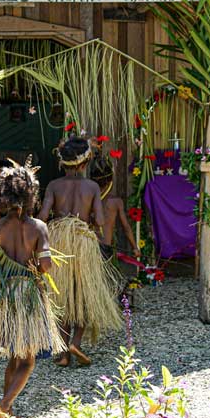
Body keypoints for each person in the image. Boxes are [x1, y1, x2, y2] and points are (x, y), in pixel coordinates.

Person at [0, 160, 64, 418]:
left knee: (14, 356)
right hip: (28, 296)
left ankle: (6, 414)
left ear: (0, 196)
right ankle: (4, 404)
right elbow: (46, 266)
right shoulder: (38, 227)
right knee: (28, 360)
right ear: (30, 194)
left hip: (2, 295)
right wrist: (33, 263)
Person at [39, 137, 123, 366]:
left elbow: (43, 218)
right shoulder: (92, 187)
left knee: (63, 295)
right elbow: (100, 219)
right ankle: (75, 342)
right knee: (85, 294)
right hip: (83, 244)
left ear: (63, 163)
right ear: (85, 163)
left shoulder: (54, 186)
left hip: (59, 243)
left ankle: (65, 352)